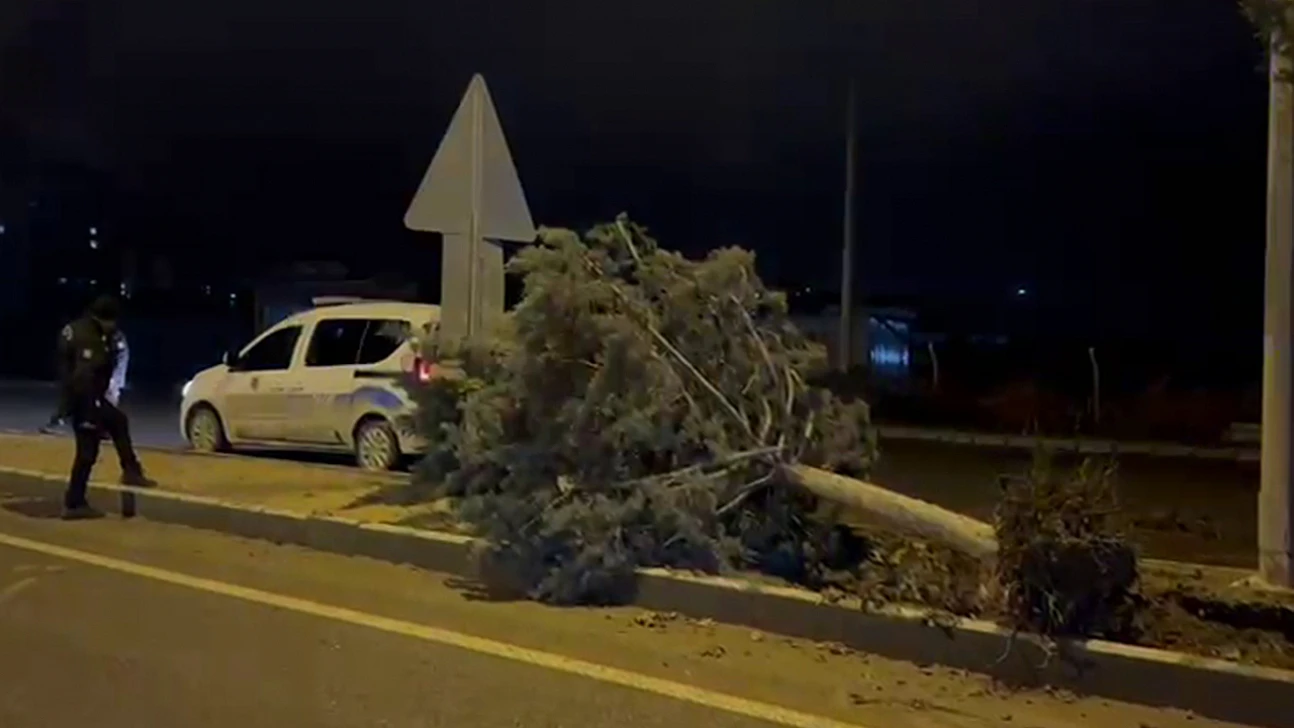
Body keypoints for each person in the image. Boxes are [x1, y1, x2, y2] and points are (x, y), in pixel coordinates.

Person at [58, 295, 156, 519]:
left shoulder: (78, 329)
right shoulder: (90, 337)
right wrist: (91, 408)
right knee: (87, 451)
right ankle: (74, 503)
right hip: (85, 399)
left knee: (117, 422)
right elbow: (85, 374)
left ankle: (130, 470)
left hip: (84, 397)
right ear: (104, 318)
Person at [42, 326, 129, 436]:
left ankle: (104, 428)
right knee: (73, 392)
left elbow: (120, 359)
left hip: (111, 370)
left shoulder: (115, 337)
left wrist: (115, 379)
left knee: (109, 396)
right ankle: (59, 420)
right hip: (91, 368)